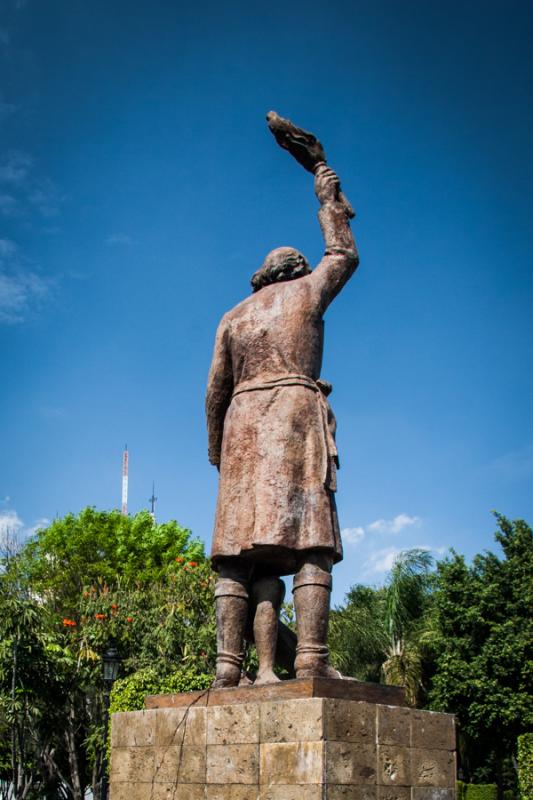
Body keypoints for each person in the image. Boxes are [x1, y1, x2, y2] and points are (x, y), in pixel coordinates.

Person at [206, 162, 359, 687]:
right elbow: (343, 255)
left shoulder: (233, 316)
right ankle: (311, 658)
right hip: (293, 416)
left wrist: (217, 452)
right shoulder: (307, 292)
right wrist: (327, 197)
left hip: (242, 429)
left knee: (236, 554)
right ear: (295, 269)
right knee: (312, 542)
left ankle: (228, 667)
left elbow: (214, 394)